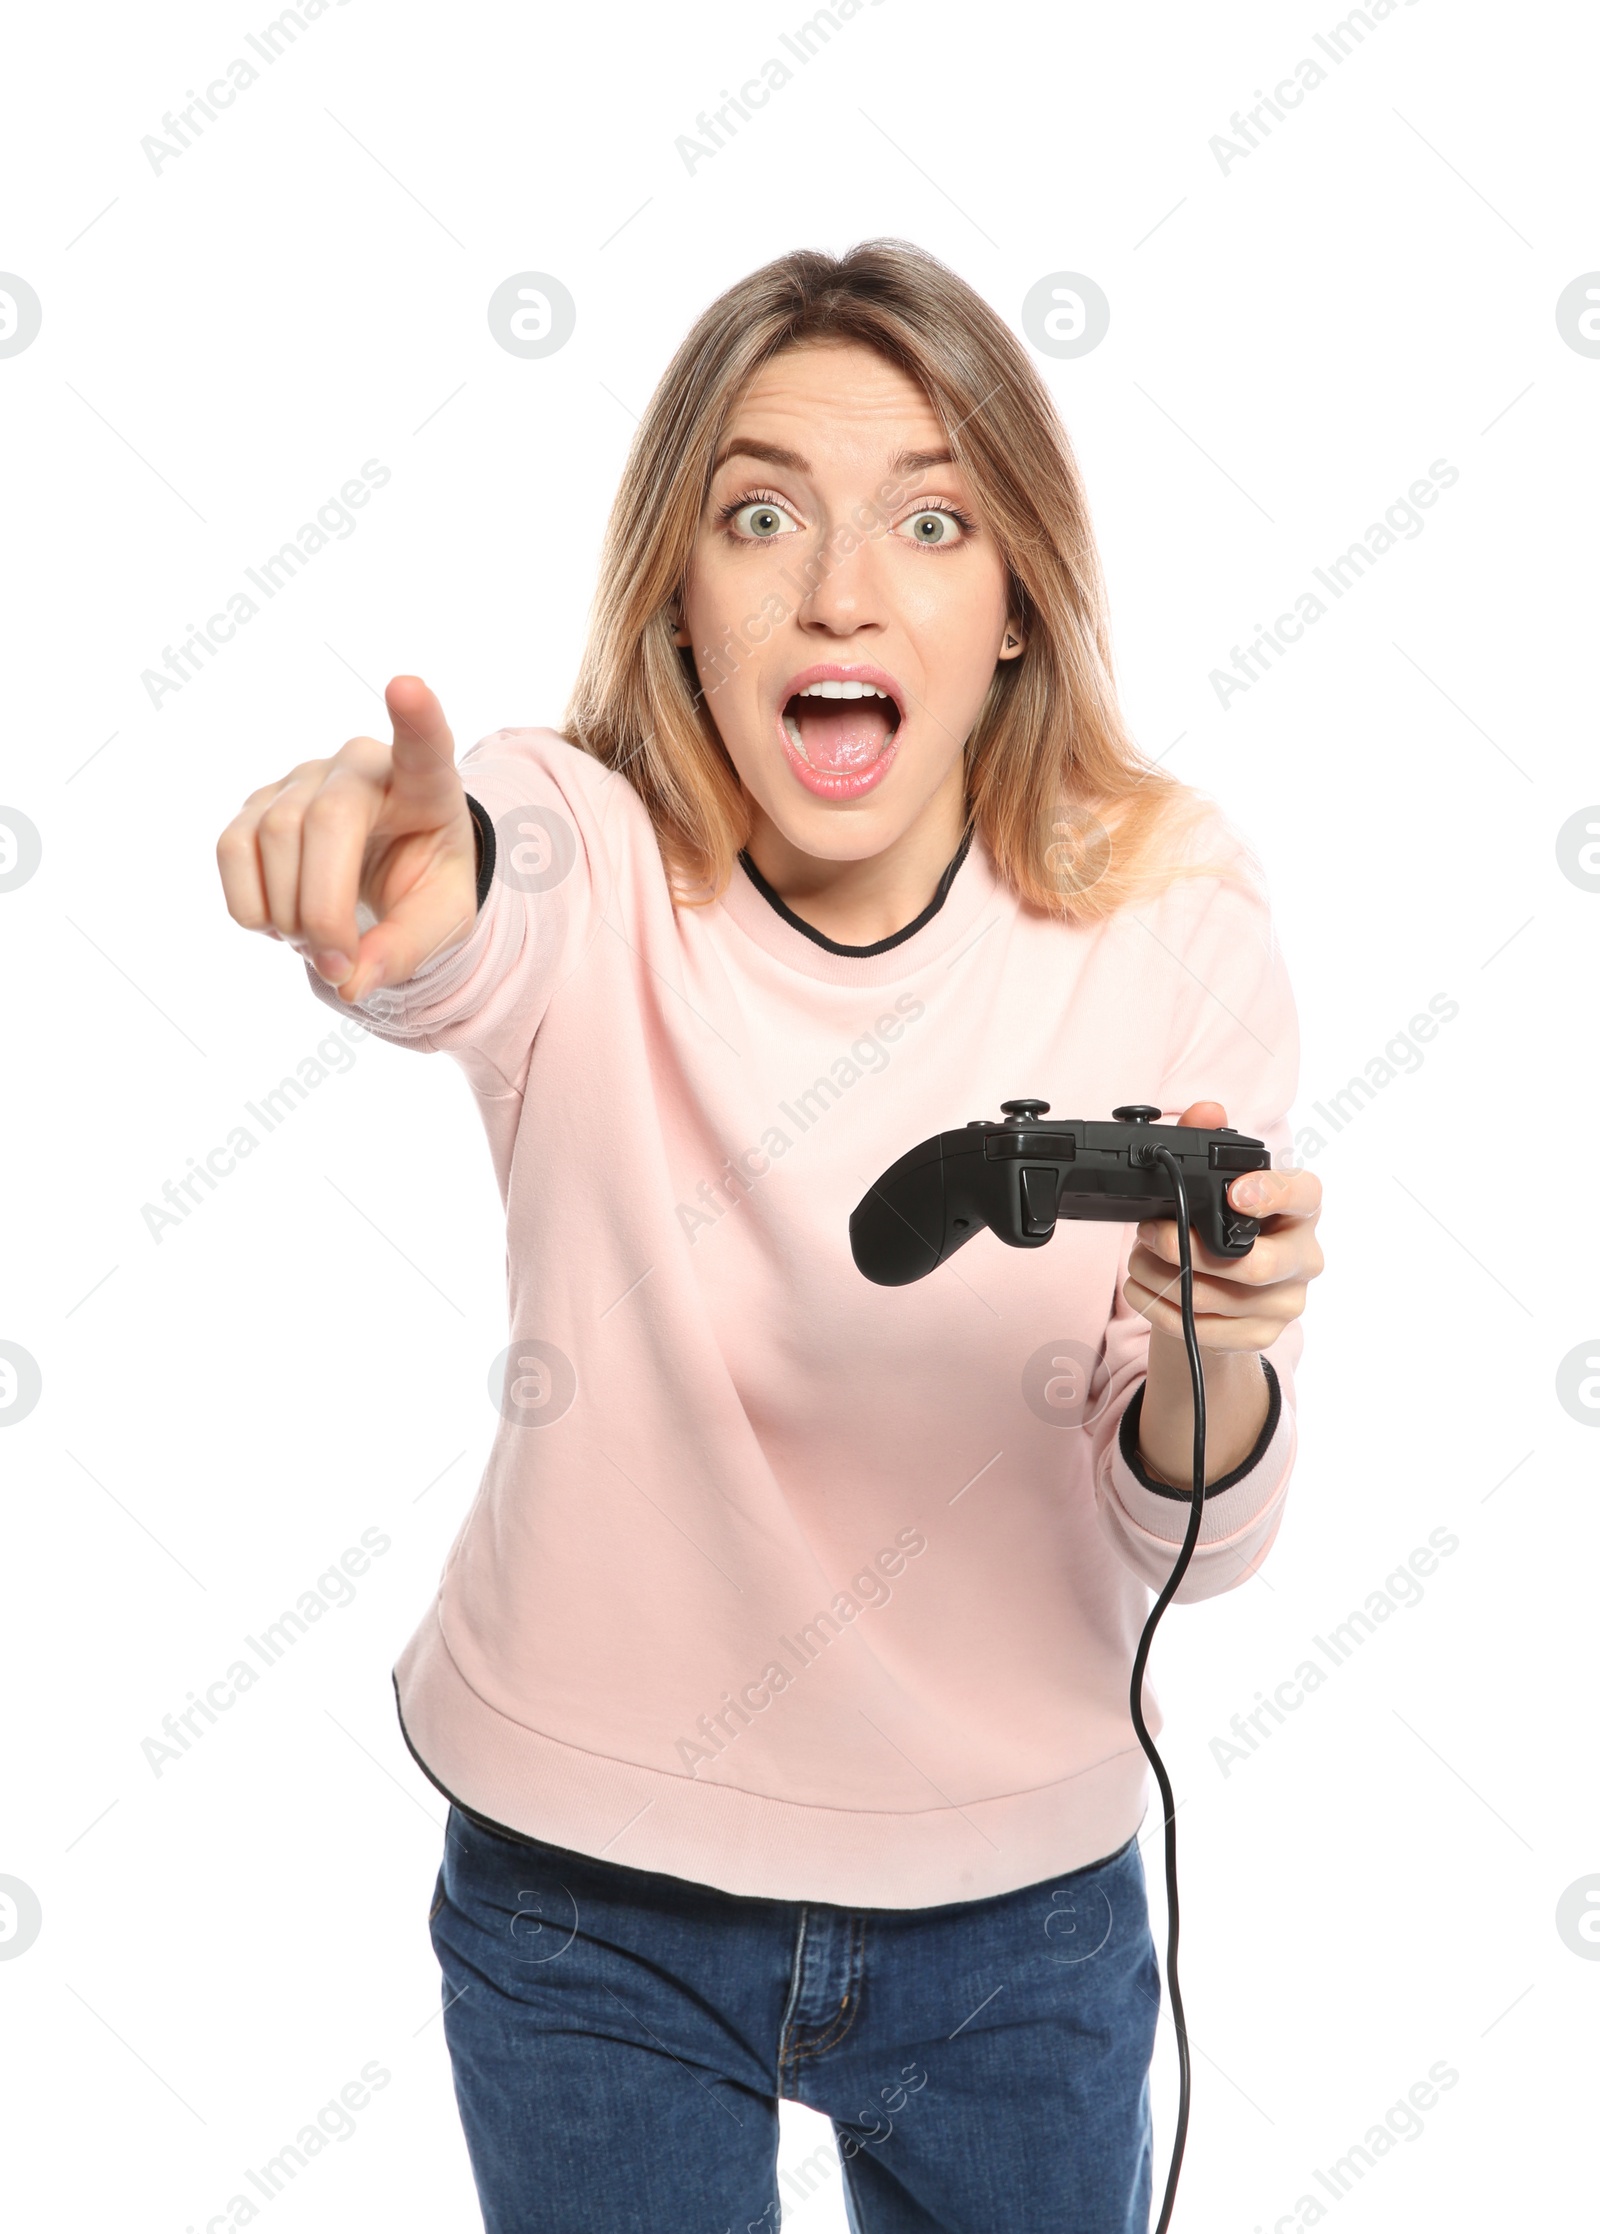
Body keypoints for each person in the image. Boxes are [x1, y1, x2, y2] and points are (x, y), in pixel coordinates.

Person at [215, 241, 1323, 2234]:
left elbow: (1190, 1549)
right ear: (681, 603)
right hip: (588, 1904)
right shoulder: (580, 837)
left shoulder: (1171, 920)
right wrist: (399, 873)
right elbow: (477, 900)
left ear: (1009, 609)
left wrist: (1212, 1349)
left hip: (1018, 1921)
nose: (838, 588)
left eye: (929, 517)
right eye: (757, 514)